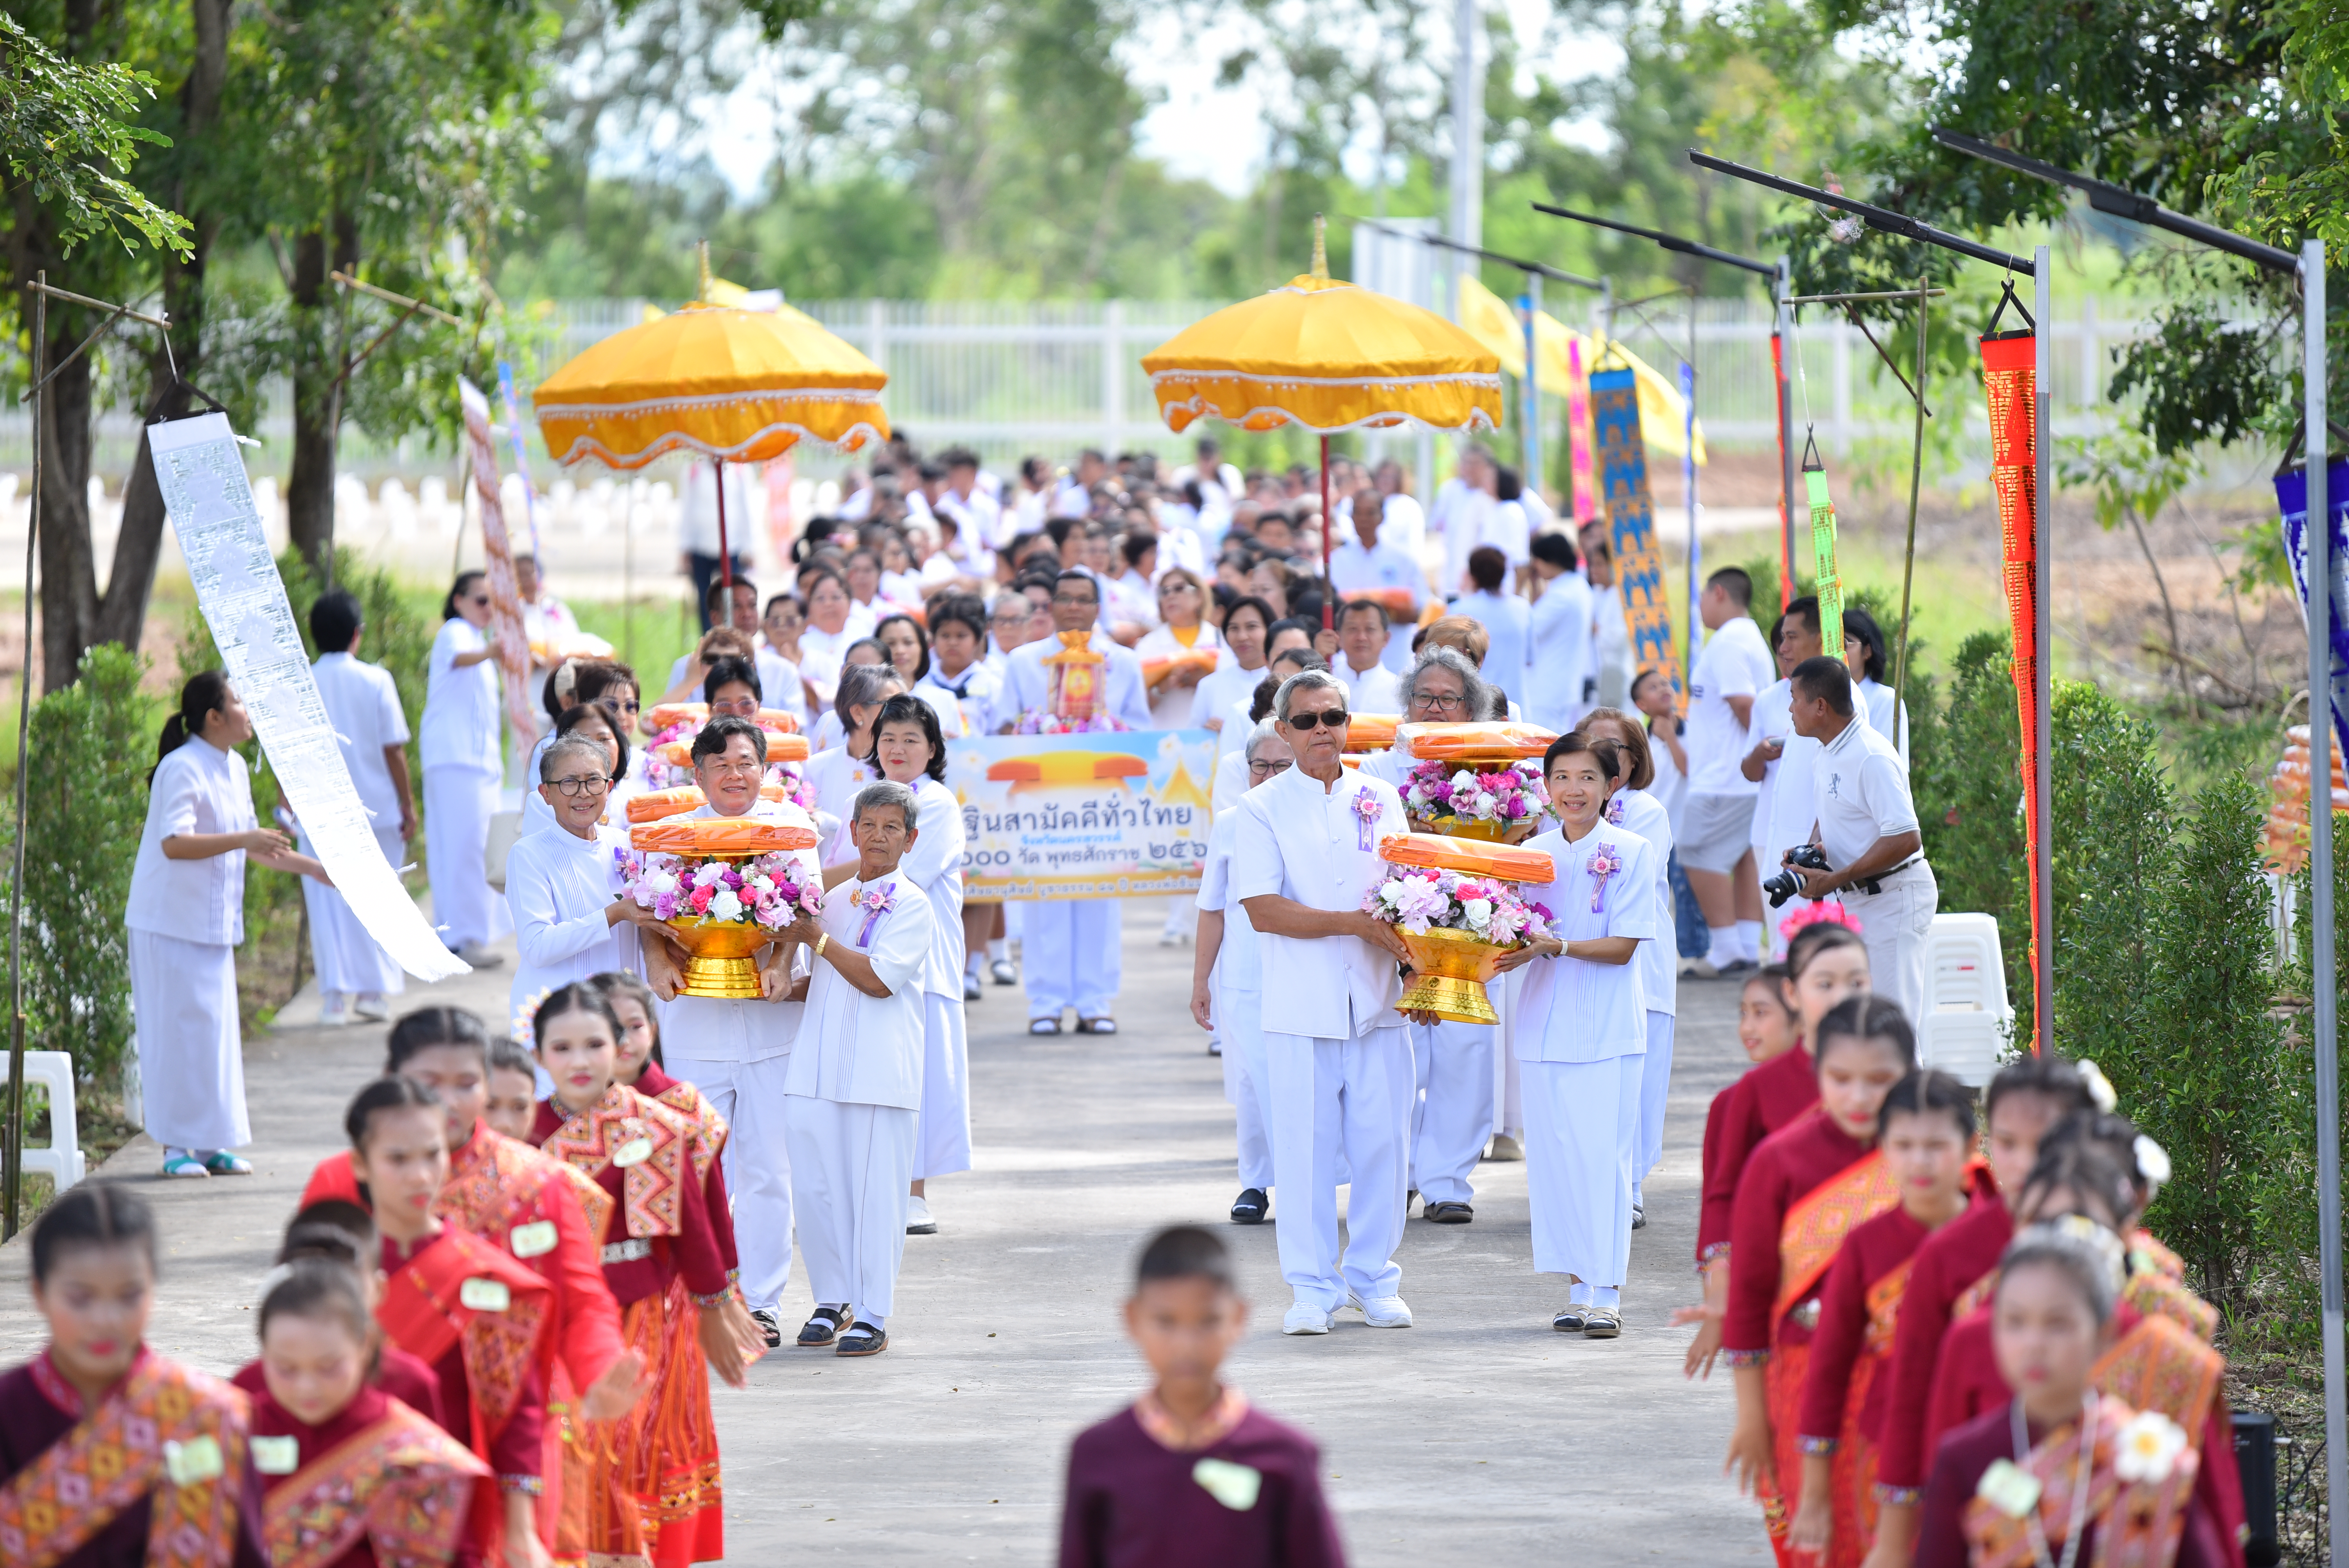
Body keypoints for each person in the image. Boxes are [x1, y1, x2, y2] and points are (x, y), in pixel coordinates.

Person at [297, 1007, 642, 1487]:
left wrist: (600, 1365)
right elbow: (305, 1305)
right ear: (390, 1079)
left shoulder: (536, 1181)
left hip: (512, 1431)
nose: (449, 1101)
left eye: (466, 1083)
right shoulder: (343, 1178)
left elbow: (580, 1298)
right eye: (430, 1081)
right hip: (373, 1424)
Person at [528, 984, 740, 1566]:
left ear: (618, 1046)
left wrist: (718, 1304)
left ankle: (623, 1550)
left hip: (637, 1309)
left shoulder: (649, 1122)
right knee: (562, 1445)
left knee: (622, 1444)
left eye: (594, 1044)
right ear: (540, 1054)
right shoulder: (522, 1132)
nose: (579, 1060)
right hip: (547, 1321)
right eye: (562, 1047)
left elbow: (691, 1225)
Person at [1233, 670, 1416, 1335]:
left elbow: (1410, 892)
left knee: (1382, 1146)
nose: (1321, 731)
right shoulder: (1258, 809)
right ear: (1282, 730)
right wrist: (1353, 925)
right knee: (1304, 1151)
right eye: (1306, 720)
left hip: (1377, 1002)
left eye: (1332, 718)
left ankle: (1373, 1277)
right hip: (1300, 1005)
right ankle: (1311, 1287)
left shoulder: (1380, 796)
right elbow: (1264, 909)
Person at [1868, 1054, 2099, 1563]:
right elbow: (1910, 1394)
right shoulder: (1947, 1254)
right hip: (1982, 1500)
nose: (2023, 1163)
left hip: (2106, 1504)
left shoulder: (2126, 1262)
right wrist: (1893, 1539)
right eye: (2007, 1143)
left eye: (2044, 1143)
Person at [642, 715, 824, 1347]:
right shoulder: (671, 835)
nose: (734, 774)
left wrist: (778, 963)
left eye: (745, 762)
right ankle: (702, 1296)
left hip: (774, 1028)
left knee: (768, 1170)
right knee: (696, 1171)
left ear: (765, 768)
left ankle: (763, 1302)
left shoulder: (794, 830)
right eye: (720, 764)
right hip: (696, 1026)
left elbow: (806, 910)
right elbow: (650, 909)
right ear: (697, 775)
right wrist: (659, 957)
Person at [1722, 996, 1916, 1561]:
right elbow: (1750, 1299)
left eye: (1880, 1080)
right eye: (1841, 1079)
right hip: (1805, 1381)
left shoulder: (1932, 1154)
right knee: (1818, 1544)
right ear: (1816, 1072)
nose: (1859, 1097)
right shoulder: (1779, 1161)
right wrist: (1753, 1415)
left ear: (1908, 1075)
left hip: (1911, 1379)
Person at [1913, 1222, 2230, 1568]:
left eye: (2058, 1324)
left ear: (2105, 1333)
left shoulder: (2151, 1464)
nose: (2034, 1343)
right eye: (2016, 1322)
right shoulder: (1963, 1460)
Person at [346, 1077, 555, 1568]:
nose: (420, 1175)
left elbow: (516, 1403)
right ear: (360, 1163)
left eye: (432, 1154)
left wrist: (521, 1527)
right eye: (398, 1159)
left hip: (455, 1514)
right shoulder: (331, 1269)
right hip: (345, 1515)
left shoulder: (485, 1273)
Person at [1, 1185, 269, 1568]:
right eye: (81, 1298)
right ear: (39, 1293)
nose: (106, 1320)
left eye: (129, 1296)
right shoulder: (8, 1411)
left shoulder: (207, 1415)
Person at [127, 671, 330, 1178]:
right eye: (240, 702)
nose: (249, 711)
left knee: (215, 1034)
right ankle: (177, 1146)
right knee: (176, 1033)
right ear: (214, 717)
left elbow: (258, 845)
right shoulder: (181, 768)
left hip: (211, 923)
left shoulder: (234, 767)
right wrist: (244, 839)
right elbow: (175, 843)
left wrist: (316, 870)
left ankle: (213, 1142)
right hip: (168, 921)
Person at [1057, 1226, 1349, 1568]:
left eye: (1208, 1321)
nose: (1187, 1345)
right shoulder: (1099, 1454)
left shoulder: (1285, 1455)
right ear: (1133, 1319)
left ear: (1238, 1318)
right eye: (1166, 1322)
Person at [1788, 1070, 1978, 1568]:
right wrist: (1813, 1491)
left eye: (1936, 1144)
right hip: (1888, 1446)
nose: (1920, 1160)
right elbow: (1827, 1370)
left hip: (1987, 1447)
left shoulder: (2001, 1235)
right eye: (1904, 1144)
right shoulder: (1865, 1245)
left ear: (1970, 1145)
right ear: (1883, 1149)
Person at [1497, 735, 1653, 1335]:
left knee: (1602, 1160)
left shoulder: (1632, 851)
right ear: (1547, 786)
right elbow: (1510, 934)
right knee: (1558, 1163)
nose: (1574, 790)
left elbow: (1624, 947)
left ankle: (1606, 1290)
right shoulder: (1530, 854)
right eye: (1561, 777)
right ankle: (1576, 1288)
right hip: (1540, 1027)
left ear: (1611, 786)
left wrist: (1555, 946)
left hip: (1608, 1029)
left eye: (1587, 777)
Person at [778, 781, 937, 1357]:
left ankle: (873, 1311)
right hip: (817, 1065)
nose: (878, 836)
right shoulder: (832, 898)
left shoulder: (915, 905)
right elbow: (821, 979)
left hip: (879, 1073)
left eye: (891, 827)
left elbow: (877, 980)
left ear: (910, 839)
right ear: (852, 830)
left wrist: (816, 942)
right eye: (868, 825)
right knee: (818, 1190)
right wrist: (777, 987)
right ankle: (831, 1298)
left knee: (877, 1195)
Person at [1681, 925, 1869, 1374]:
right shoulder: (1752, 1093)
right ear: (1795, 991)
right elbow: (1721, 1201)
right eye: (1825, 983)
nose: (1842, 996)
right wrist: (1721, 1293)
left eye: (1856, 982)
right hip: (1792, 1301)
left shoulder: (1892, 1077)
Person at [244, 1260, 489, 1568]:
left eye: (328, 1367)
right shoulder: (236, 1428)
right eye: (286, 1369)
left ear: (365, 1345)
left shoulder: (407, 1446)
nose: (307, 1388)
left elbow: (455, 1553)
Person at [1002, 572, 1152, 1035]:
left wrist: (1104, 730)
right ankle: (1044, 1001)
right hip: (1041, 798)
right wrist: (1037, 729)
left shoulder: (1123, 662)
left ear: (1098, 605)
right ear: (1050, 605)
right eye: (1063, 598)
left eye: (1083, 599)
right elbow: (1003, 727)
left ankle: (1095, 999)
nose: (1073, 607)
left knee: (1098, 897)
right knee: (1044, 896)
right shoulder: (1024, 660)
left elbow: (1142, 730)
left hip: (1101, 799)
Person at [1779, 654, 1940, 1023]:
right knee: (1864, 1022)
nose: (1790, 709)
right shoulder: (1828, 748)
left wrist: (1835, 878)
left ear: (1820, 706)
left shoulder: (1870, 755)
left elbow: (1906, 838)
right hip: (1860, 899)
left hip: (1894, 898)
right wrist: (1815, 849)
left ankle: (1907, 1084)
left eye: (1795, 698)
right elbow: (1836, 810)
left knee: (1892, 1025)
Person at [866, 695, 971, 1235]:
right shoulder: (865, 798)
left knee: (920, 1073)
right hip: (866, 955)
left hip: (921, 959)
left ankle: (914, 1190)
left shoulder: (937, 805)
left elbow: (902, 876)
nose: (898, 749)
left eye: (911, 740)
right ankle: (876, 1183)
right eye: (888, 739)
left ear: (932, 749)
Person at [1675, 964, 1803, 1377]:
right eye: (1743, 1012)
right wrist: (1717, 1306)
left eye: (1761, 1012)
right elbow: (1718, 1208)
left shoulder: (1850, 1098)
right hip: (1764, 1285)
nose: (1747, 1026)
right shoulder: (1730, 1104)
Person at [1577, 709, 1678, 1227]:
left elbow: (1622, 876)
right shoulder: (1565, 810)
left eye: (1611, 746)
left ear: (1633, 761)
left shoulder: (1644, 811)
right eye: (1587, 742)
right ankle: (1590, 1184)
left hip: (1641, 966)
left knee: (1639, 1080)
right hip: (1579, 962)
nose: (1597, 752)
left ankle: (1630, 1186)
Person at [1191, 720, 1294, 1226]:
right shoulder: (1231, 822)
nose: (1270, 774)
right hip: (1244, 975)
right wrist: (1199, 984)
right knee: (1254, 1084)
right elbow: (1211, 909)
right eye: (1261, 765)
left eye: (1281, 765)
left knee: (1299, 1082)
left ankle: (1306, 1181)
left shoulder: (1309, 817)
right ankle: (1256, 1182)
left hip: (1301, 970)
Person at [299, 589, 415, 1025]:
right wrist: (406, 803)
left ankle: (333, 996)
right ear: (356, 634)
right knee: (379, 898)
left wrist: (285, 803)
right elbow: (393, 750)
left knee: (326, 902)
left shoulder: (303, 681)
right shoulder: (375, 680)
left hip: (317, 808)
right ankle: (372, 991)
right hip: (376, 808)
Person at [505, 736, 665, 1041]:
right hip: (558, 1016)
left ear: (609, 787)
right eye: (569, 782)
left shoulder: (626, 843)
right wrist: (614, 914)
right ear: (546, 793)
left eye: (593, 781)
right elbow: (537, 947)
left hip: (622, 1015)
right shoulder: (529, 853)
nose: (583, 793)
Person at [1680, 566, 1776, 976]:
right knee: (1742, 858)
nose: (1699, 606)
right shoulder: (1746, 637)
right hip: (1738, 775)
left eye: (1701, 597)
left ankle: (1726, 950)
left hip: (1725, 776)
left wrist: (1757, 752)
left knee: (1697, 852)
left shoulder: (1729, 640)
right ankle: (1746, 948)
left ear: (1718, 593)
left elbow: (1745, 706)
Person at [422, 572, 510, 966]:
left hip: (473, 762)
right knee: (465, 849)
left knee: (469, 847)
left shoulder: (476, 641)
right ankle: (464, 936)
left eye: (493, 602)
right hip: (457, 760)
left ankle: (459, 934)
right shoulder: (456, 631)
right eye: (481, 600)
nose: (488, 609)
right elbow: (461, 657)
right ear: (458, 601)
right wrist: (495, 649)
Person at [1743, 599, 1825, 955]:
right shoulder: (1767, 700)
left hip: (1812, 842)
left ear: (1821, 640)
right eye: (1780, 643)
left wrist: (1815, 841)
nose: (1784, 649)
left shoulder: (1837, 698)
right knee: (1781, 938)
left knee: (1809, 942)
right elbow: (1747, 770)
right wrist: (1761, 753)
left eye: (1792, 638)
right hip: (1770, 832)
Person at [1135, 568, 1223, 728]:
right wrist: (1164, 686)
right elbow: (1136, 707)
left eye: (1179, 589)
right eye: (1165, 592)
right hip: (1164, 738)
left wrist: (1203, 681)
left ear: (1199, 596)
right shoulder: (1148, 645)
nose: (1171, 596)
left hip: (1211, 737)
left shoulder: (1220, 640)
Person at [1525, 532, 1593, 732]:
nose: (1535, 566)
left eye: (1537, 560)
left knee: (1541, 749)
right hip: (1565, 685)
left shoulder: (1562, 595)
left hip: (1547, 688)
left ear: (1550, 561)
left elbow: (1529, 631)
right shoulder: (1578, 587)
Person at [921, 593, 1005, 745]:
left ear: (978, 640)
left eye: (961, 636)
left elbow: (998, 734)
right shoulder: (923, 681)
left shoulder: (992, 685)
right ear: (934, 639)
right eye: (945, 636)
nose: (953, 643)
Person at [1455, 546, 1528, 710]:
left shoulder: (1459, 610)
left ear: (1472, 574)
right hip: (1516, 704)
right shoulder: (1522, 608)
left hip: (1475, 706)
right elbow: (1530, 659)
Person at [1326, 599, 1402, 712]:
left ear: (1386, 638)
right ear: (1339, 637)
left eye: (1370, 629)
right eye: (1353, 629)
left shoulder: (1400, 690)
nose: (1361, 637)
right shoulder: (1326, 682)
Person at [484, 1034, 540, 1142]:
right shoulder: (443, 1158)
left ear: (534, 1109)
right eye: (490, 1106)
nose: (504, 1124)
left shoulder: (548, 1158)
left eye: (520, 1108)